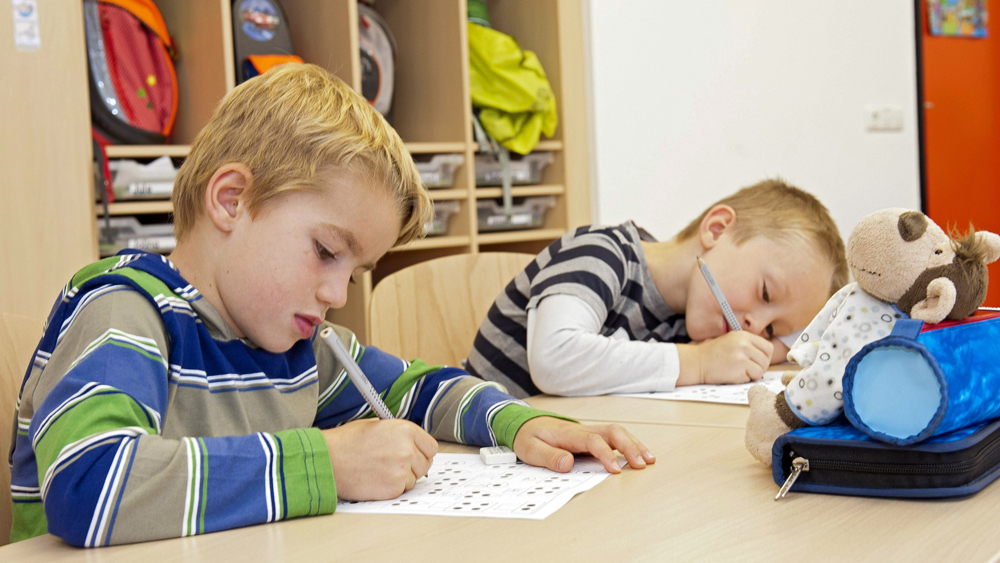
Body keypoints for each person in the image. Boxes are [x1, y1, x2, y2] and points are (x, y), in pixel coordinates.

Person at [8, 64, 653, 547]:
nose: (338, 295)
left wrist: (518, 424)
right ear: (231, 201)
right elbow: (90, 482)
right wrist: (327, 463)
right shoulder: (126, 312)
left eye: (355, 270)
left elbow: (412, 390)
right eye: (325, 251)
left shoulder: (293, 345)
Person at [466, 179, 849, 398]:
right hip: (472, 453)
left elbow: (810, 337)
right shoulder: (601, 252)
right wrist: (699, 364)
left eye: (770, 329)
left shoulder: (687, 325)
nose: (753, 325)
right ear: (716, 230)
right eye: (765, 294)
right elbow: (554, 359)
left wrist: (774, 346)